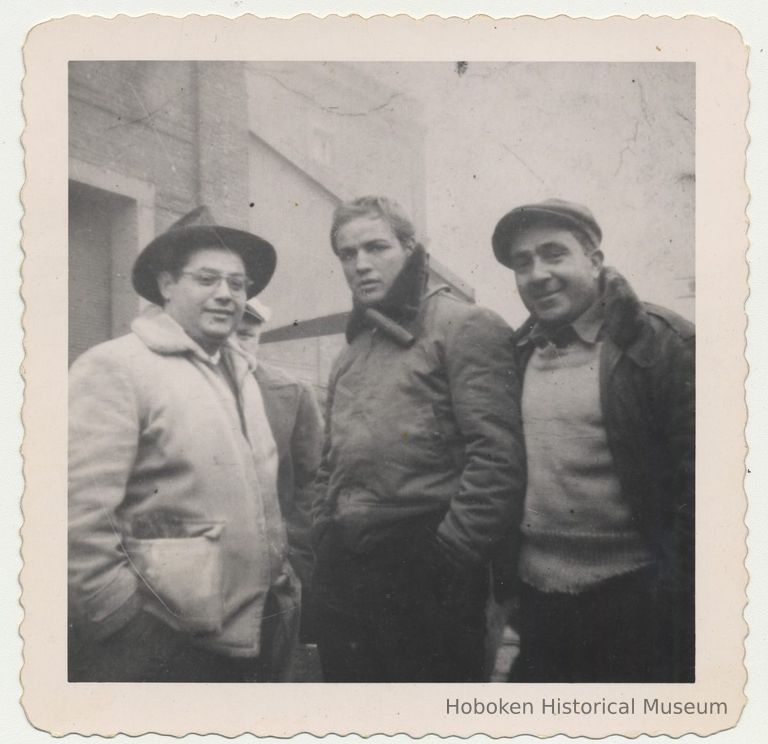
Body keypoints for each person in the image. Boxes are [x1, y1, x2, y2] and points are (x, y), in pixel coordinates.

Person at [68, 206, 300, 682]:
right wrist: (122, 622)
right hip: (161, 644)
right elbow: (77, 516)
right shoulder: (117, 367)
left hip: (250, 633)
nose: (225, 295)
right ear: (167, 285)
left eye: (237, 285)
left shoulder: (242, 372)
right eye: (207, 279)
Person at [312, 196, 526, 682]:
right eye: (348, 254)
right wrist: (324, 532)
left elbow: (497, 461)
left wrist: (444, 560)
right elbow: (332, 460)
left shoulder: (465, 325)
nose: (361, 264)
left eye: (376, 247)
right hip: (346, 569)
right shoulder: (352, 351)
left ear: (410, 249)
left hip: (425, 568)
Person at [492, 198, 695, 683]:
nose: (538, 274)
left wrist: (673, 592)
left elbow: (707, 484)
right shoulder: (516, 354)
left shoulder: (662, 343)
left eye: (554, 254)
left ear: (595, 261)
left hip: (638, 604)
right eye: (523, 263)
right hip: (540, 604)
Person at [236, 298, 324, 643]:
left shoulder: (291, 392)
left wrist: (294, 553)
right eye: (228, 334)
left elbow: (313, 480)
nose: (235, 344)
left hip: (275, 567)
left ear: (259, 336)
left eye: (245, 334)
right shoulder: (181, 390)